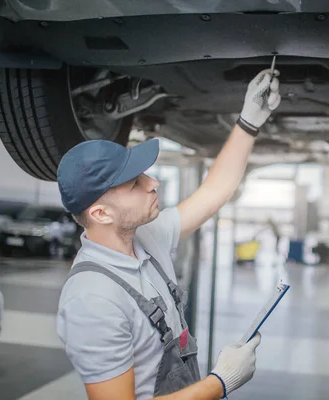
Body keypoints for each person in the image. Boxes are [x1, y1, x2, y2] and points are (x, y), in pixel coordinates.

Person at [55, 68, 281, 400]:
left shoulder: (145, 236)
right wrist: (220, 382)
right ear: (101, 213)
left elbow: (212, 193)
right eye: (135, 184)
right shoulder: (92, 299)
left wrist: (249, 120)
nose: (153, 183)